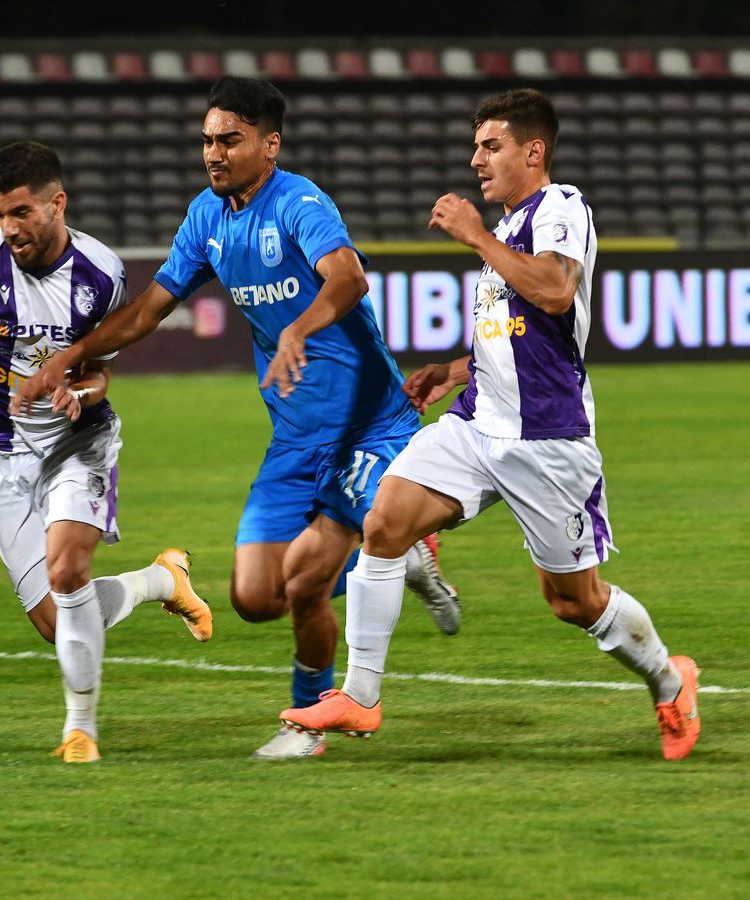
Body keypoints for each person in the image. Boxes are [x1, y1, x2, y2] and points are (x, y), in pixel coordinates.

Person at [12, 76, 460, 760]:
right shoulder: (206, 217)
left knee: (307, 582)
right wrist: (68, 356)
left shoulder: (302, 203)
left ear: (269, 146)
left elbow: (347, 278)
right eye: (207, 141)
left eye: (230, 139)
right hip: (294, 436)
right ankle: (397, 558)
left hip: (368, 422)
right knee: (255, 596)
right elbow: (150, 309)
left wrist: (298, 330)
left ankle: (308, 723)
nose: (213, 153)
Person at [281, 88, 701, 762]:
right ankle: (359, 695)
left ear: (533, 152)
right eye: (475, 145)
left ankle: (668, 680)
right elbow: (513, 330)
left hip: (547, 440)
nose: (476, 158)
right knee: (384, 522)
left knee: (572, 601)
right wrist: (453, 370)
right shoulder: (504, 232)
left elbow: (557, 290)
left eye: (491, 145)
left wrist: (473, 233)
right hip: (477, 425)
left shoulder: (560, 207)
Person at [0, 141, 213, 764]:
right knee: (59, 623)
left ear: (58, 203)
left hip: (79, 443)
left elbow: (102, 371)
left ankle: (81, 731)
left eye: (21, 212)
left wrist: (81, 388)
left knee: (68, 571)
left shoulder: (101, 273)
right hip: (0, 457)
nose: (9, 228)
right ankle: (162, 579)